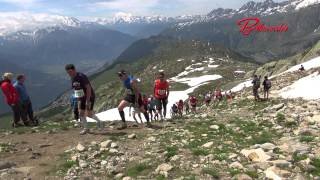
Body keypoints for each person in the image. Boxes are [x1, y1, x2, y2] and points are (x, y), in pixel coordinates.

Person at [65, 64, 102, 135]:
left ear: (74, 70)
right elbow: (76, 89)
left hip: (89, 97)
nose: (69, 74)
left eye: (70, 72)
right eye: (68, 73)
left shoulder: (82, 76)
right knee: (81, 113)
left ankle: (99, 121)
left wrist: (87, 101)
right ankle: (86, 129)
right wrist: (78, 99)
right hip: (81, 97)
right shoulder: (72, 78)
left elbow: (88, 88)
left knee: (89, 114)